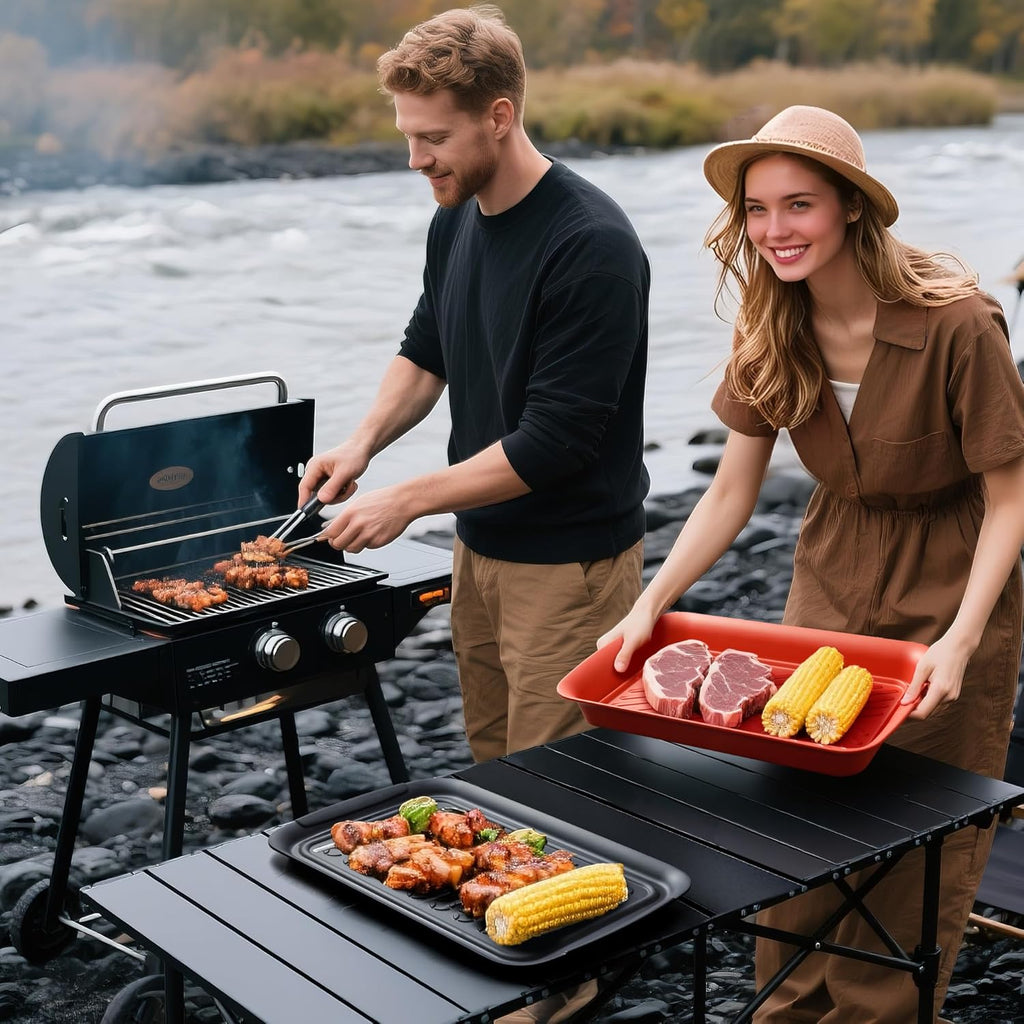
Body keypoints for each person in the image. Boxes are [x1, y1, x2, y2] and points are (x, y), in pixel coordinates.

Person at [598, 105, 1024, 1023]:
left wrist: (960, 639)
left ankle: (878, 1012)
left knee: (912, 834)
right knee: (796, 816)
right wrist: (651, 602)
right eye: (757, 210)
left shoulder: (959, 324)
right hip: (827, 576)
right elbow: (727, 493)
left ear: (852, 211)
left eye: (800, 205)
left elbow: (1011, 500)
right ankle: (785, 1008)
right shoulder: (768, 326)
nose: (775, 231)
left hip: (949, 582)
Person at [298, 5, 650, 769]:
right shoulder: (455, 217)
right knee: (494, 766)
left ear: (499, 116)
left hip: (569, 569)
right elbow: (428, 350)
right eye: (408, 137)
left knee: (565, 787)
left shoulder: (591, 246)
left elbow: (555, 442)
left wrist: (407, 498)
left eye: (435, 138)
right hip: (480, 546)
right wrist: (360, 446)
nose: (417, 160)